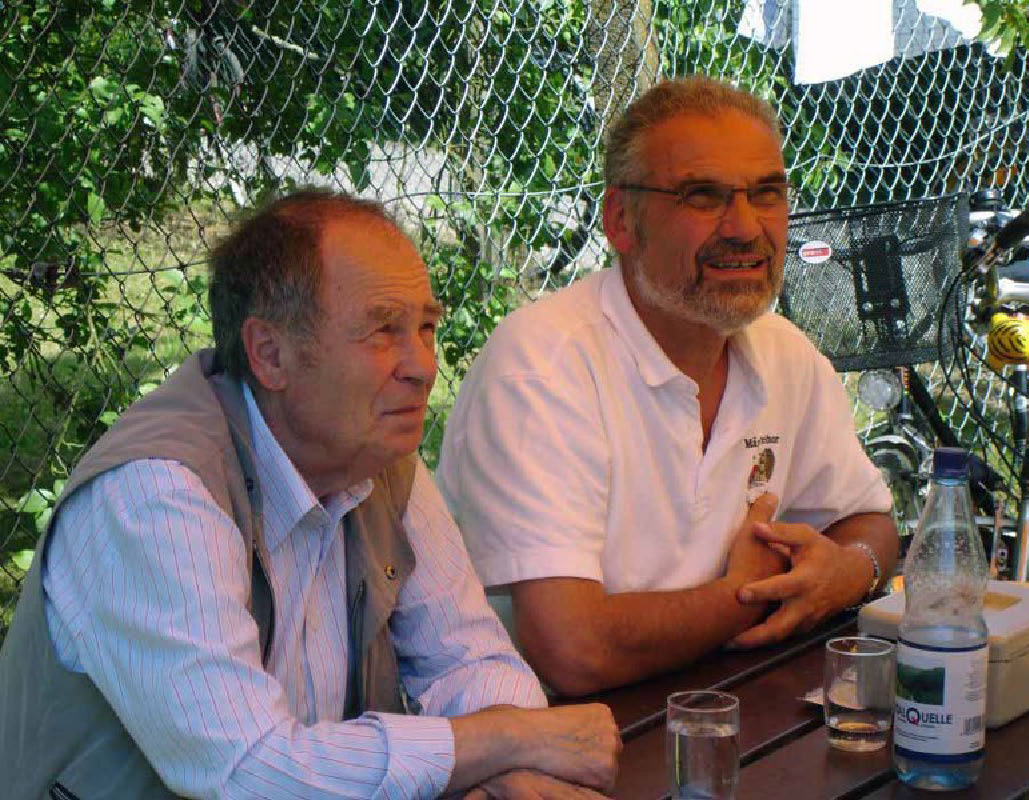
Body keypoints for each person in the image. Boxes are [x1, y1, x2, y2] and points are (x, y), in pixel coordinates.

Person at [0, 190, 620, 799]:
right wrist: (508, 739)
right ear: (270, 354)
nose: (423, 366)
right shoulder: (157, 493)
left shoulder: (378, 462)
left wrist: (511, 767)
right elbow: (249, 771)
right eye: (383, 331)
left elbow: (471, 660)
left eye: (426, 327)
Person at [437, 77, 898, 696]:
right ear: (620, 222)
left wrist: (848, 572)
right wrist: (749, 595)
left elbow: (869, 520)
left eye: (766, 192)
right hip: (555, 732)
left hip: (730, 703)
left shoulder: (784, 352)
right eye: (702, 197)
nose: (745, 227)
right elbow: (572, 651)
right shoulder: (542, 368)